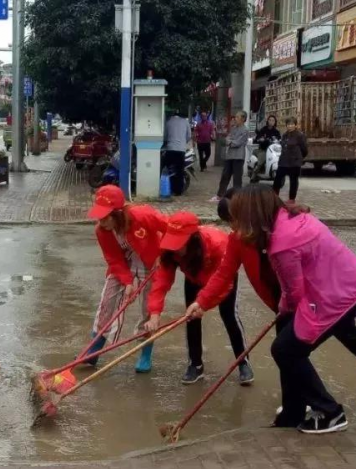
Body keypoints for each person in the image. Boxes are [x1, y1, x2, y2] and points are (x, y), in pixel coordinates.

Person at [224, 185, 356, 433]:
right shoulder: (287, 217)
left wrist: (282, 309)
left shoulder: (282, 242)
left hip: (339, 293)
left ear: (251, 214)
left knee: (286, 350)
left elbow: (293, 293)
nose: (234, 223)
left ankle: (331, 413)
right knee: (291, 339)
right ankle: (293, 410)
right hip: (342, 283)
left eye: (236, 216)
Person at [147, 211, 252, 385]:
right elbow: (161, 281)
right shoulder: (169, 248)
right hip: (194, 277)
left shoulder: (218, 244)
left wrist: (203, 304)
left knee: (229, 316)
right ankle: (195, 365)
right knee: (191, 319)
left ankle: (243, 362)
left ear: (193, 239)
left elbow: (224, 282)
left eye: (179, 243)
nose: (174, 248)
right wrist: (154, 312)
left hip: (222, 278)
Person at [86, 185, 168, 372]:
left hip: (150, 261)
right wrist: (128, 282)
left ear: (118, 213)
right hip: (124, 263)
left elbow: (169, 228)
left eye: (105, 216)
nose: (101, 220)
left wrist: (163, 253)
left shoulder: (142, 215)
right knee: (108, 301)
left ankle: (145, 353)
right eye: (99, 215)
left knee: (148, 307)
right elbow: (113, 259)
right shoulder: (102, 231)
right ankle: (93, 351)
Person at [214, 111, 248, 201]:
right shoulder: (233, 128)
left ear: (243, 119)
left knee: (237, 178)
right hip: (230, 155)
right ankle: (220, 195)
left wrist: (230, 141)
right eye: (235, 117)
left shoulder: (245, 130)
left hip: (239, 156)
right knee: (225, 175)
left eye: (237, 117)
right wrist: (229, 141)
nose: (235, 119)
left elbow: (237, 143)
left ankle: (237, 197)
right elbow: (227, 139)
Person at [274, 118, 308, 203]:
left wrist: (299, 158)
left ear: (296, 125)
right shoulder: (284, 135)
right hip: (283, 162)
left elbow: (304, 150)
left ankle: (291, 199)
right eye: (288, 124)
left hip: (294, 163)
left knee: (293, 181)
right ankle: (274, 197)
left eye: (292, 124)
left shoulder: (300, 135)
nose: (290, 126)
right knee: (277, 180)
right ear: (286, 126)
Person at [164, 110, 191, 196]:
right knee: (179, 171)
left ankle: (170, 188)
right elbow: (189, 136)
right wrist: (183, 142)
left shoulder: (168, 122)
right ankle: (178, 191)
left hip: (170, 149)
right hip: (181, 150)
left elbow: (165, 136)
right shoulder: (185, 122)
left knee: (169, 170)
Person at [252, 115, 281, 181]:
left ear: (275, 122)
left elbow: (279, 139)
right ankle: (255, 173)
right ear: (267, 121)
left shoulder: (276, 131)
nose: (271, 122)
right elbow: (257, 138)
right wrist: (260, 139)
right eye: (270, 120)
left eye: (273, 120)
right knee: (262, 160)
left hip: (273, 151)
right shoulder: (263, 129)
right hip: (263, 150)